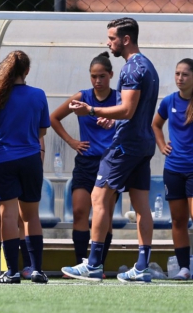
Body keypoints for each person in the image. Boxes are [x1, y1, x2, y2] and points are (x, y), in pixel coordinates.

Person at [62, 17, 159, 283]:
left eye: (112, 38)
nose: (109, 43)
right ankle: (141, 267)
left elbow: (127, 109)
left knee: (98, 197)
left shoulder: (130, 69)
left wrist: (91, 110)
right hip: (142, 142)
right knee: (141, 205)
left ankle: (93, 264)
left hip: (125, 145)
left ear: (126, 39)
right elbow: (133, 111)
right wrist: (113, 117)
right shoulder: (148, 66)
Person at [0, 50, 50, 284]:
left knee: (8, 216)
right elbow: (42, 131)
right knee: (31, 216)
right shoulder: (38, 95)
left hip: (3, 159)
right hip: (31, 159)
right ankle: (37, 270)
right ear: (27, 71)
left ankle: (11, 271)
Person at [50, 52, 117, 275]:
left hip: (109, 163)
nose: (97, 81)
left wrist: (115, 124)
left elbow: (132, 122)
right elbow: (53, 118)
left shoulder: (119, 99)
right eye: (93, 76)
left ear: (111, 75)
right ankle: (81, 262)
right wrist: (71, 142)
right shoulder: (83, 96)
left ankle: (98, 264)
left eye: (102, 76)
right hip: (86, 162)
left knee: (104, 215)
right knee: (80, 211)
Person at [152, 58, 193, 280]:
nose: (180, 78)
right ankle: (184, 268)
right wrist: (161, 145)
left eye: (185, 74)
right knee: (178, 220)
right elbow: (155, 124)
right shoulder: (169, 101)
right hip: (174, 169)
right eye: (177, 74)